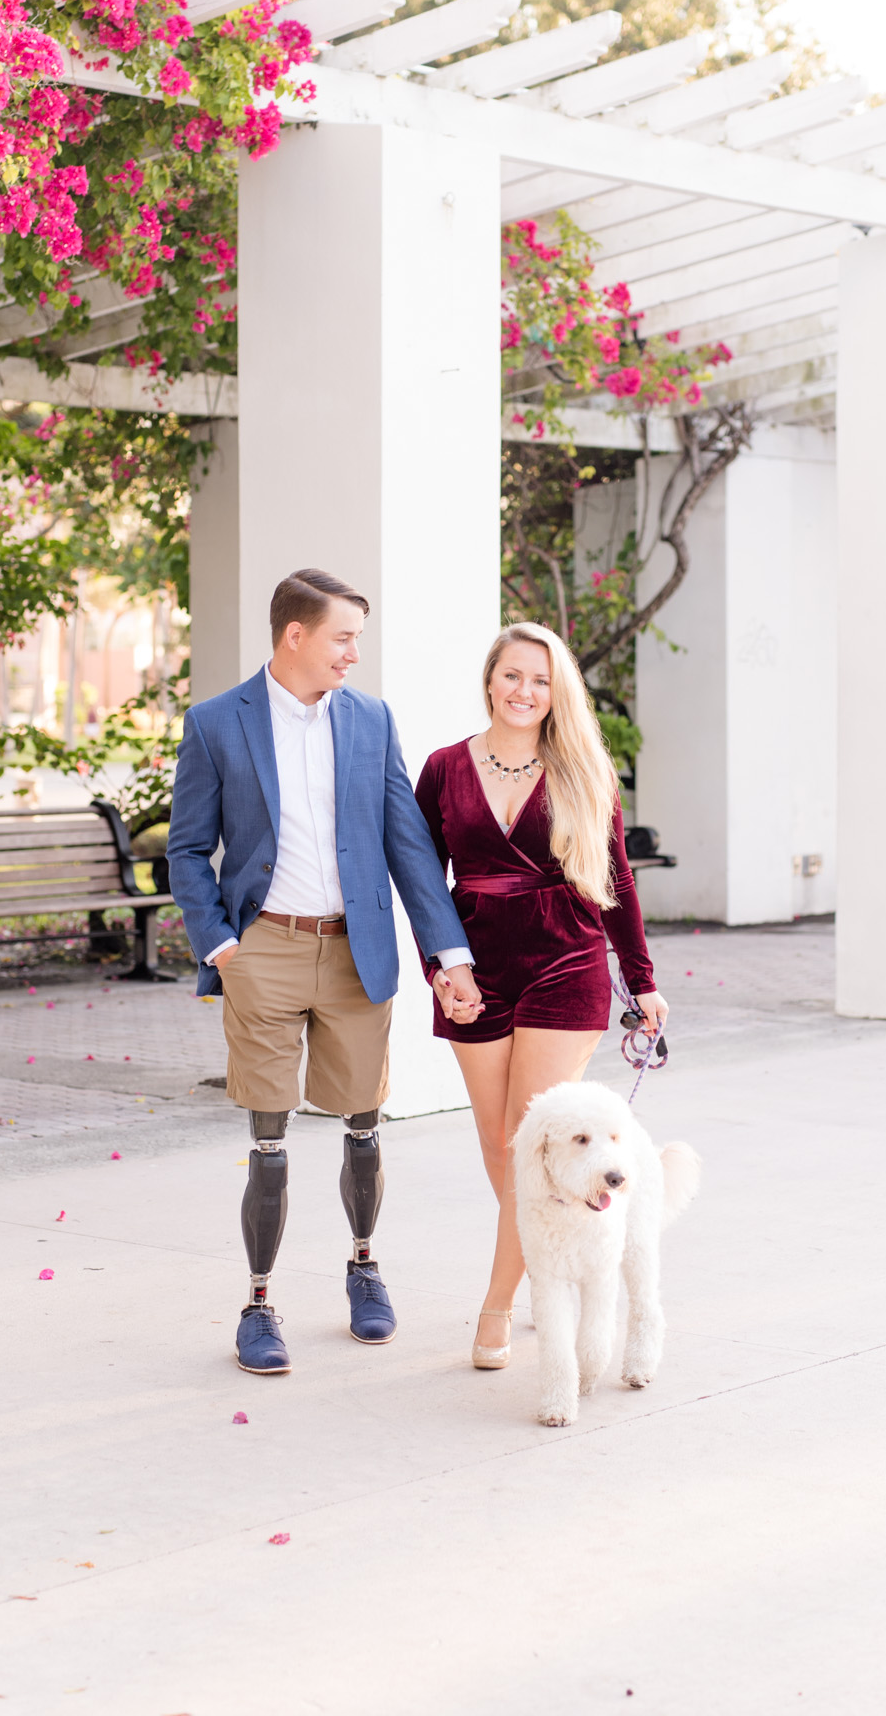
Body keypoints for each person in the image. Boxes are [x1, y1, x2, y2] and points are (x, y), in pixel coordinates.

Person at [167, 568, 483, 1375]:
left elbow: (407, 844)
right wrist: (220, 945)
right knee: (268, 1134)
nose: (352, 654)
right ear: (295, 635)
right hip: (262, 950)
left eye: (357, 640)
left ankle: (364, 1268)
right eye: (342, 637)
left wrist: (448, 955)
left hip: (356, 951)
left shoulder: (371, 721)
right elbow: (187, 849)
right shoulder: (214, 724)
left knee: (361, 1124)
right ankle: (259, 1303)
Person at [413, 622, 668, 1372]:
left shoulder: (582, 769)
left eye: (541, 679)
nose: (524, 691)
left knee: (534, 1141)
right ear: (490, 679)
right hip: (474, 965)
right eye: (512, 675)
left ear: (558, 692)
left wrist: (642, 979)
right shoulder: (443, 768)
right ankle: (551, 1267)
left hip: (566, 956)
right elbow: (424, 880)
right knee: (503, 1147)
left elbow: (616, 878)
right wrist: (439, 966)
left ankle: (496, 1307)